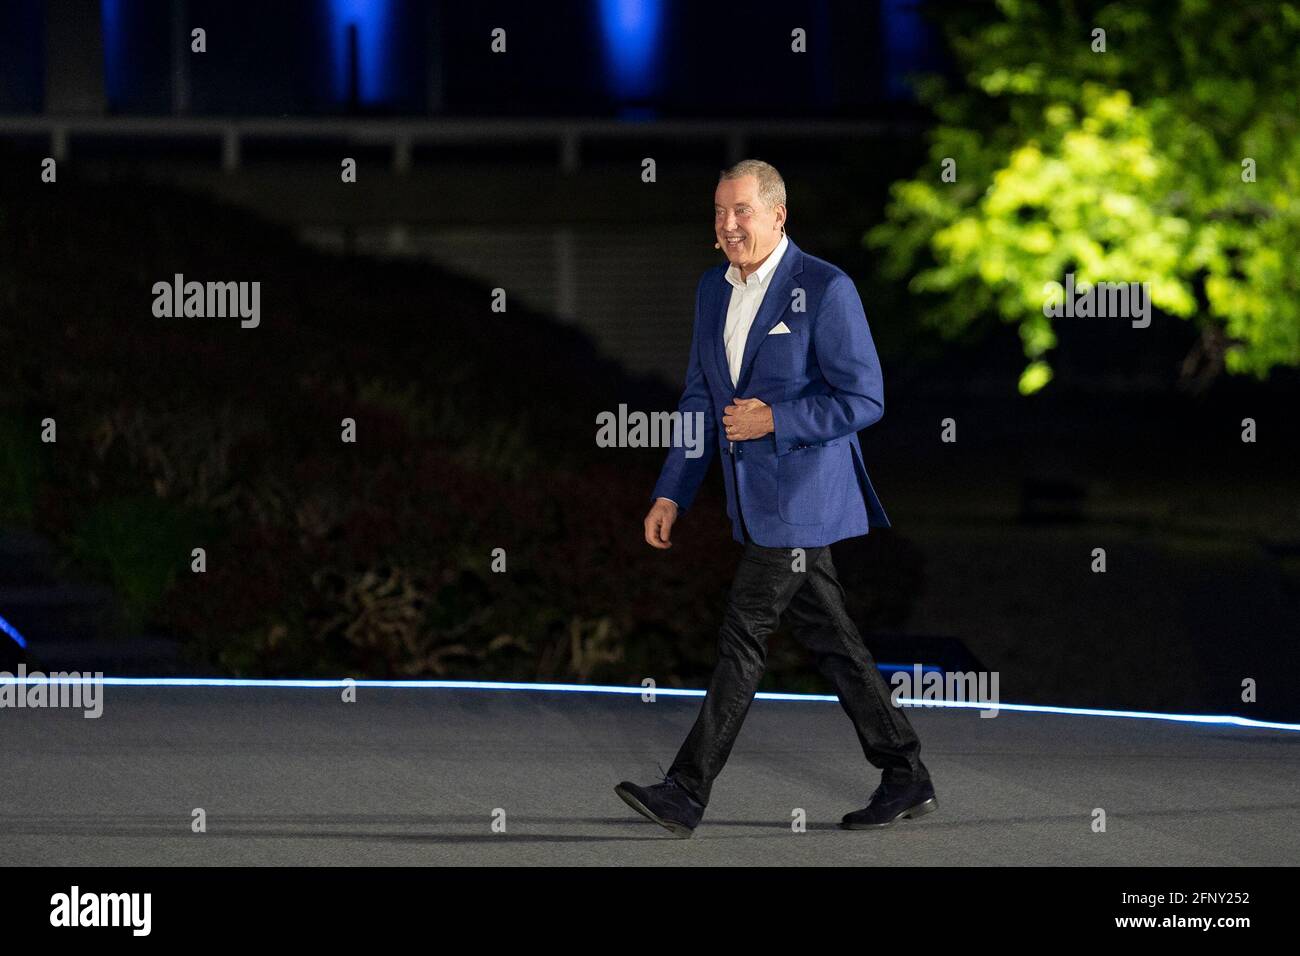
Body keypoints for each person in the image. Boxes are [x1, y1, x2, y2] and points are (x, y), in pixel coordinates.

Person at [614, 159, 936, 838]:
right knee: (830, 635)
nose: (728, 225)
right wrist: (672, 491)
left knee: (744, 629)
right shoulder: (711, 290)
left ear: (778, 214)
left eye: (742, 211)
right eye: (719, 212)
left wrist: (776, 421)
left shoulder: (825, 288)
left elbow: (865, 399)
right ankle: (904, 772)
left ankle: (685, 790)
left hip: (802, 495)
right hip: (753, 496)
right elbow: (700, 399)